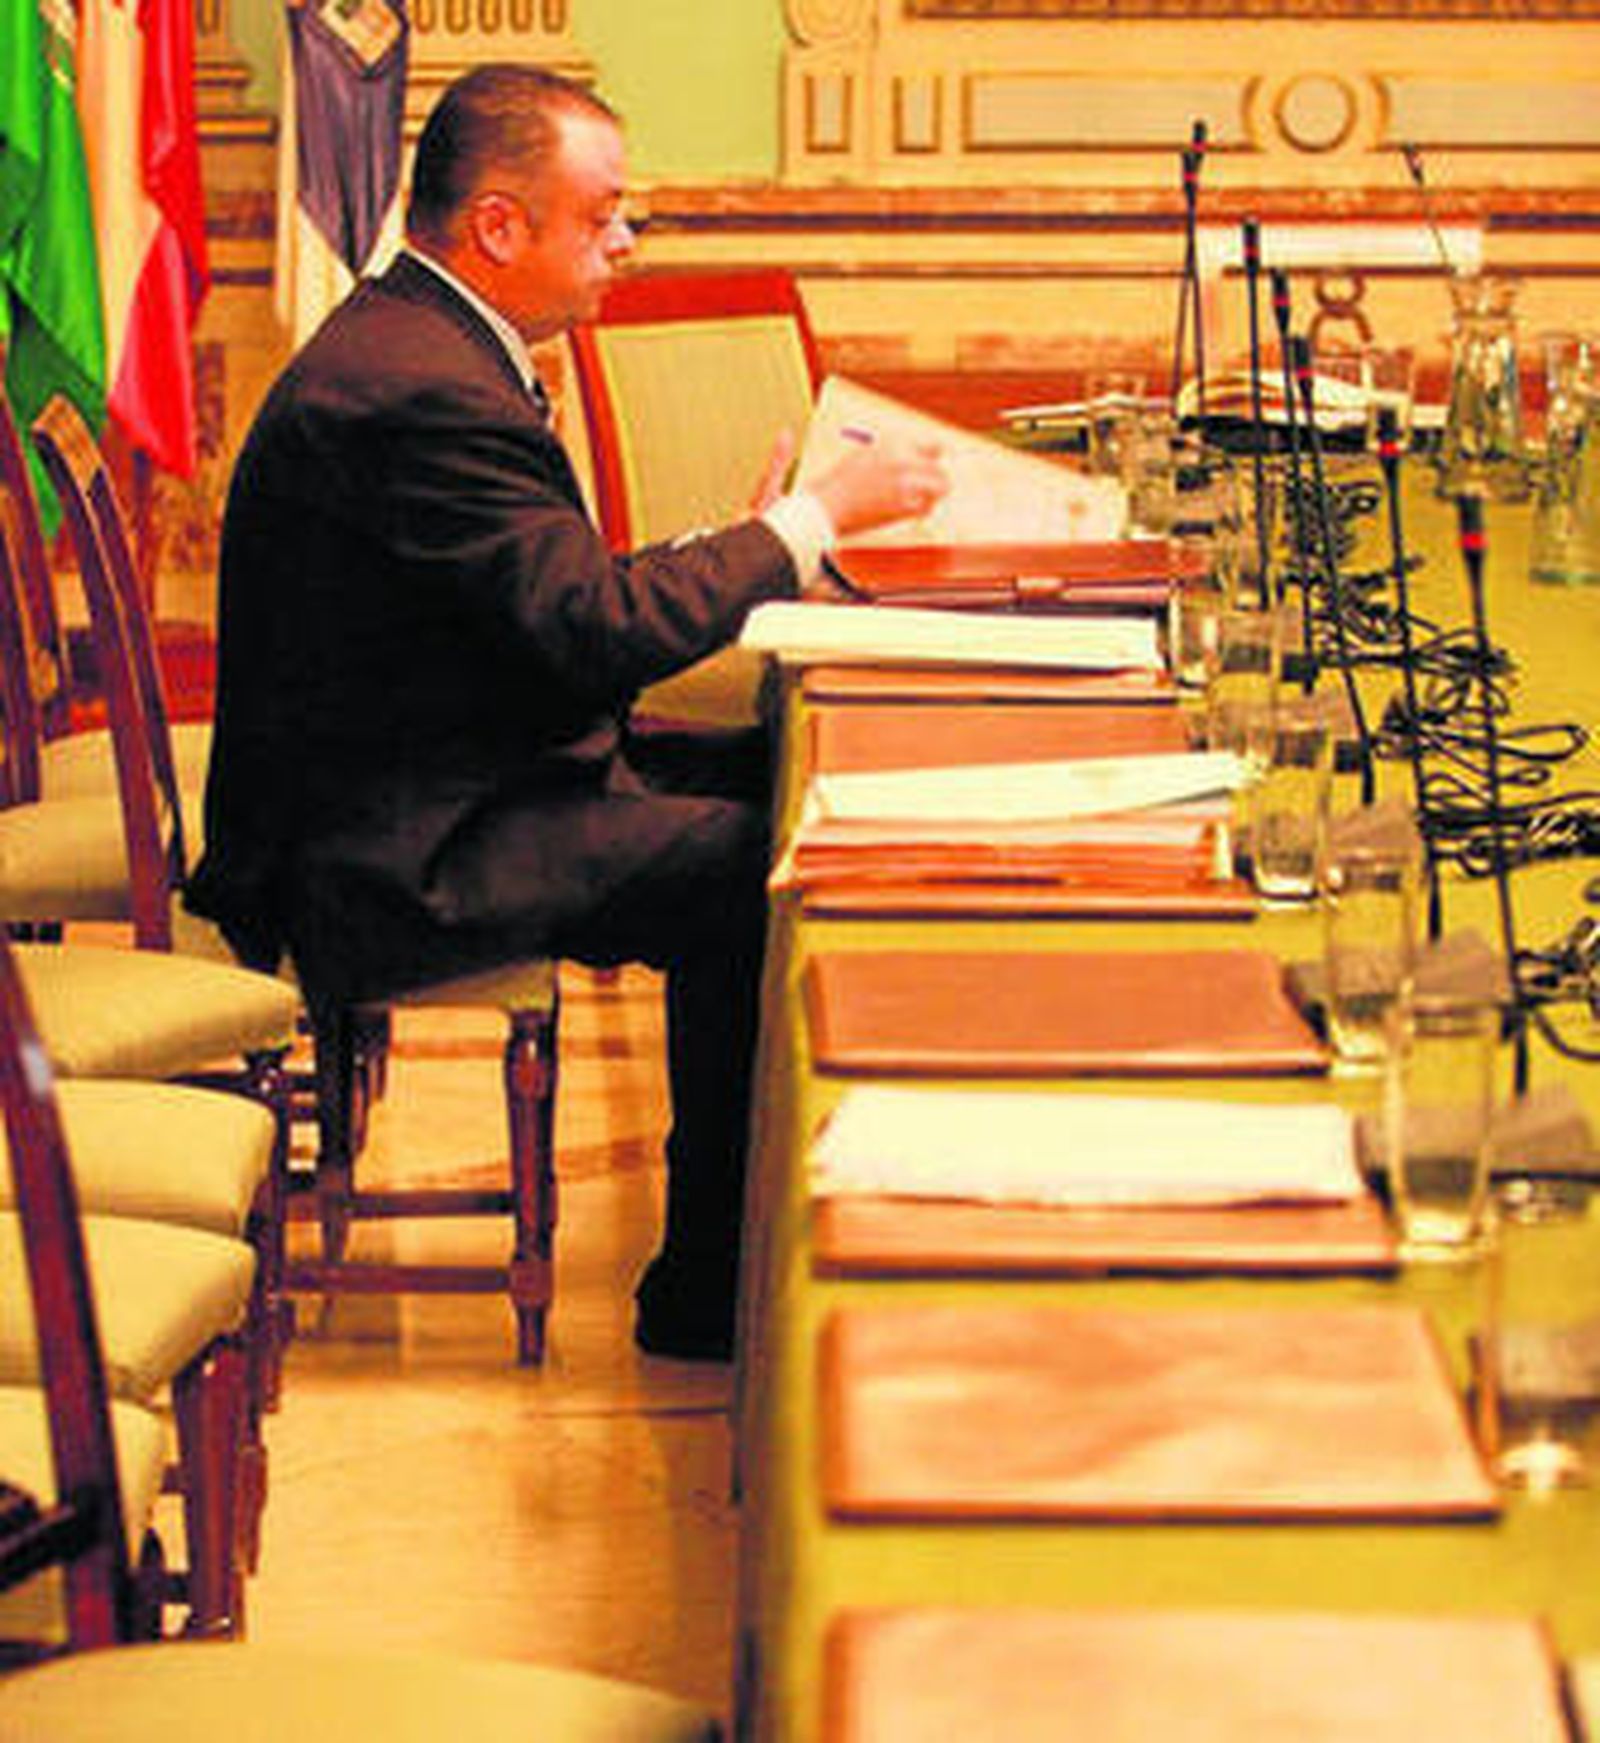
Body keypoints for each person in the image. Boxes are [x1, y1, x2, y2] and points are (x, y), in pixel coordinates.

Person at [185, 63, 948, 1361]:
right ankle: (706, 1287)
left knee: (769, 776)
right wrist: (805, 524)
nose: (627, 246)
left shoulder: (426, 344)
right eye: (602, 219)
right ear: (498, 226)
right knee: (749, 869)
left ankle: (767, 1237)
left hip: (439, 769)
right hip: (387, 850)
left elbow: (542, 605)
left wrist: (746, 536)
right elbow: (589, 633)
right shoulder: (421, 386)